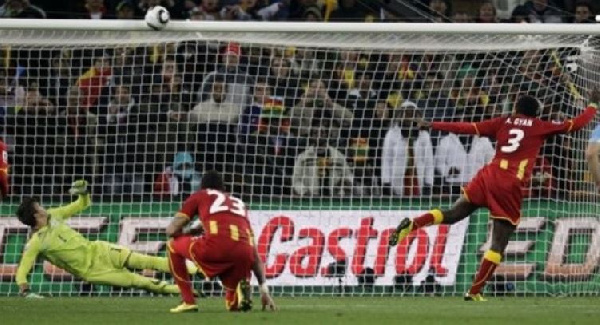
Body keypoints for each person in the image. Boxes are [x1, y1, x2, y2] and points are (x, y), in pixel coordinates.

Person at [389, 90, 600, 301]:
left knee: (453, 213)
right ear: (536, 114)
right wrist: (592, 105)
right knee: (499, 242)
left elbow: (467, 128)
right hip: (509, 184)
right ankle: (474, 291)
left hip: (488, 175)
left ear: (516, 109)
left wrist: (433, 124)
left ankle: (412, 225)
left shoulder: (503, 121)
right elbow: (576, 125)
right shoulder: (539, 126)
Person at [15, 180, 196, 298]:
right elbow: (22, 270)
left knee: (146, 260)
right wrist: (25, 291)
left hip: (99, 249)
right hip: (93, 271)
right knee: (140, 281)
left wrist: (84, 193)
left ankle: (196, 269)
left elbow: (81, 204)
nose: (43, 207)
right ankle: (184, 291)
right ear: (36, 214)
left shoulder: (54, 215)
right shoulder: (36, 243)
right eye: (39, 206)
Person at [165, 170, 276, 313]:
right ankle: (239, 290)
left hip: (216, 248)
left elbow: (171, 230)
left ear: (202, 187)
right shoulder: (239, 204)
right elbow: (254, 254)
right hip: (243, 254)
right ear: (223, 188)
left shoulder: (200, 196)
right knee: (232, 307)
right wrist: (264, 288)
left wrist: (190, 231)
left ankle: (188, 301)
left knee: (173, 245)